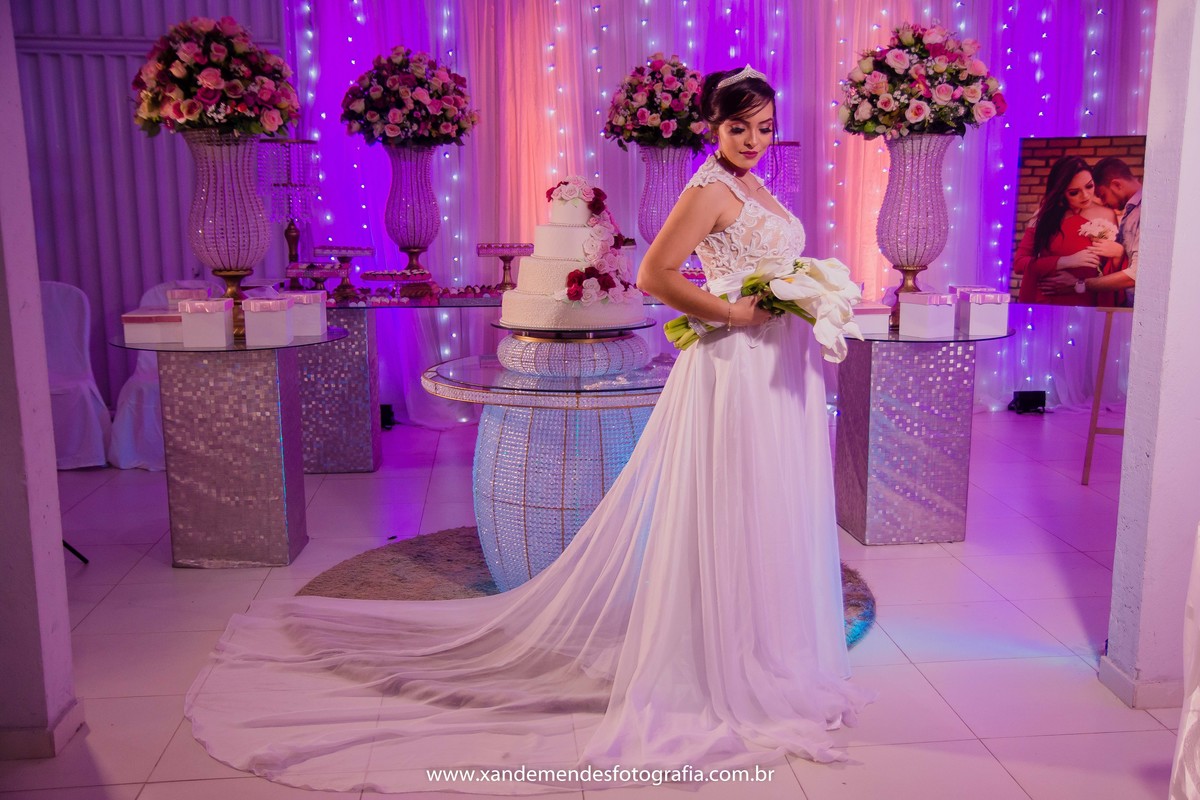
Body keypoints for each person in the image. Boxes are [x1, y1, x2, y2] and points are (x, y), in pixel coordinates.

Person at [184, 66, 871, 795]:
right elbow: (656, 276)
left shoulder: (757, 185)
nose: (753, 140)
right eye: (739, 128)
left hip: (778, 368)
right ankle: (722, 655)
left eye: (764, 128)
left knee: (770, 504)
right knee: (734, 502)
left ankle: (766, 642)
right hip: (736, 365)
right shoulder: (708, 188)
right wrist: (734, 312)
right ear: (713, 127)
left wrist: (806, 290)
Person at [1013, 155, 1122, 307]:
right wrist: (1065, 261)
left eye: (1089, 186)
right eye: (1074, 192)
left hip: (1086, 301)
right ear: (1061, 192)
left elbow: (1111, 271)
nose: (1085, 195)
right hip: (1048, 301)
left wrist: (1118, 254)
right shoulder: (1044, 216)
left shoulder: (1107, 215)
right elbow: (1019, 264)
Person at [1039, 156, 1140, 306]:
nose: (1103, 202)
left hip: (1094, 299)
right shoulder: (1131, 211)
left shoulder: (1136, 212)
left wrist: (1079, 284)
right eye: (1074, 192)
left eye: (1101, 195)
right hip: (1054, 296)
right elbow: (1025, 262)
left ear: (1117, 185)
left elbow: (1134, 273)